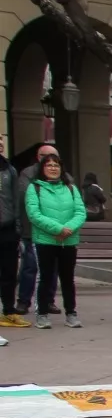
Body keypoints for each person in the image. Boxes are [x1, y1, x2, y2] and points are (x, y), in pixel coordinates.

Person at [24, 150, 86, 328]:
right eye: (48, 165)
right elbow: (34, 214)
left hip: (69, 240)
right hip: (46, 240)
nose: (53, 168)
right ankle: (42, 313)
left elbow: (80, 212)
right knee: (45, 277)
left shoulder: (71, 188)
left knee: (68, 278)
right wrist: (58, 229)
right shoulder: (34, 187)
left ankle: (71, 313)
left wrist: (69, 229)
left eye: (56, 165)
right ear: (42, 168)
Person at [15, 144, 61, 319]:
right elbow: (26, 198)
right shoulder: (28, 174)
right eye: (45, 157)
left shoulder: (63, 176)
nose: (50, 162)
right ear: (38, 156)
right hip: (32, 229)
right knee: (30, 266)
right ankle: (24, 300)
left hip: (56, 230)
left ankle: (48, 300)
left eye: (53, 158)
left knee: (52, 268)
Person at [0, 134, 22, 327]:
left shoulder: (9, 169)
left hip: (7, 228)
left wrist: (17, 227)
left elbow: (15, 199)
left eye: (1, 140)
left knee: (9, 271)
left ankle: (9, 310)